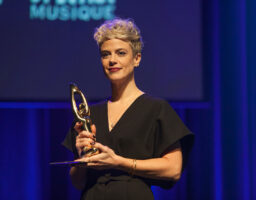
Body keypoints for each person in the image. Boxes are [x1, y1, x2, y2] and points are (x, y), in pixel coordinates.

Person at [62, 18, 194, 200]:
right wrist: (81, 156)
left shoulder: (156, 109)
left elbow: (173, 170)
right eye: (105, 54)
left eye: (121, 53)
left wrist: (118, 162)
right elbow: (77, 183)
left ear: (136, 59)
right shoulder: (89, 114)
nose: (112, 60)